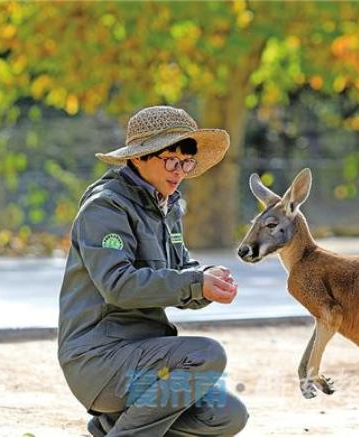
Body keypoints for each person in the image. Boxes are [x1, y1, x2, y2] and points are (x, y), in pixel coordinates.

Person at [57, 106, 248, 436]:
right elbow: (119, 285)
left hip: (143, 362)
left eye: (186, 163)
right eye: (171, 161)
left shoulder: (165, 205)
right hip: (99, 362)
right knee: (206, 354)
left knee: (227, 415)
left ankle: (111, 424)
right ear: (139, 157)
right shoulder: (106, 206)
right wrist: (194, 283)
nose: (179, 172)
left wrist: (207, 278)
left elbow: (181, 272)